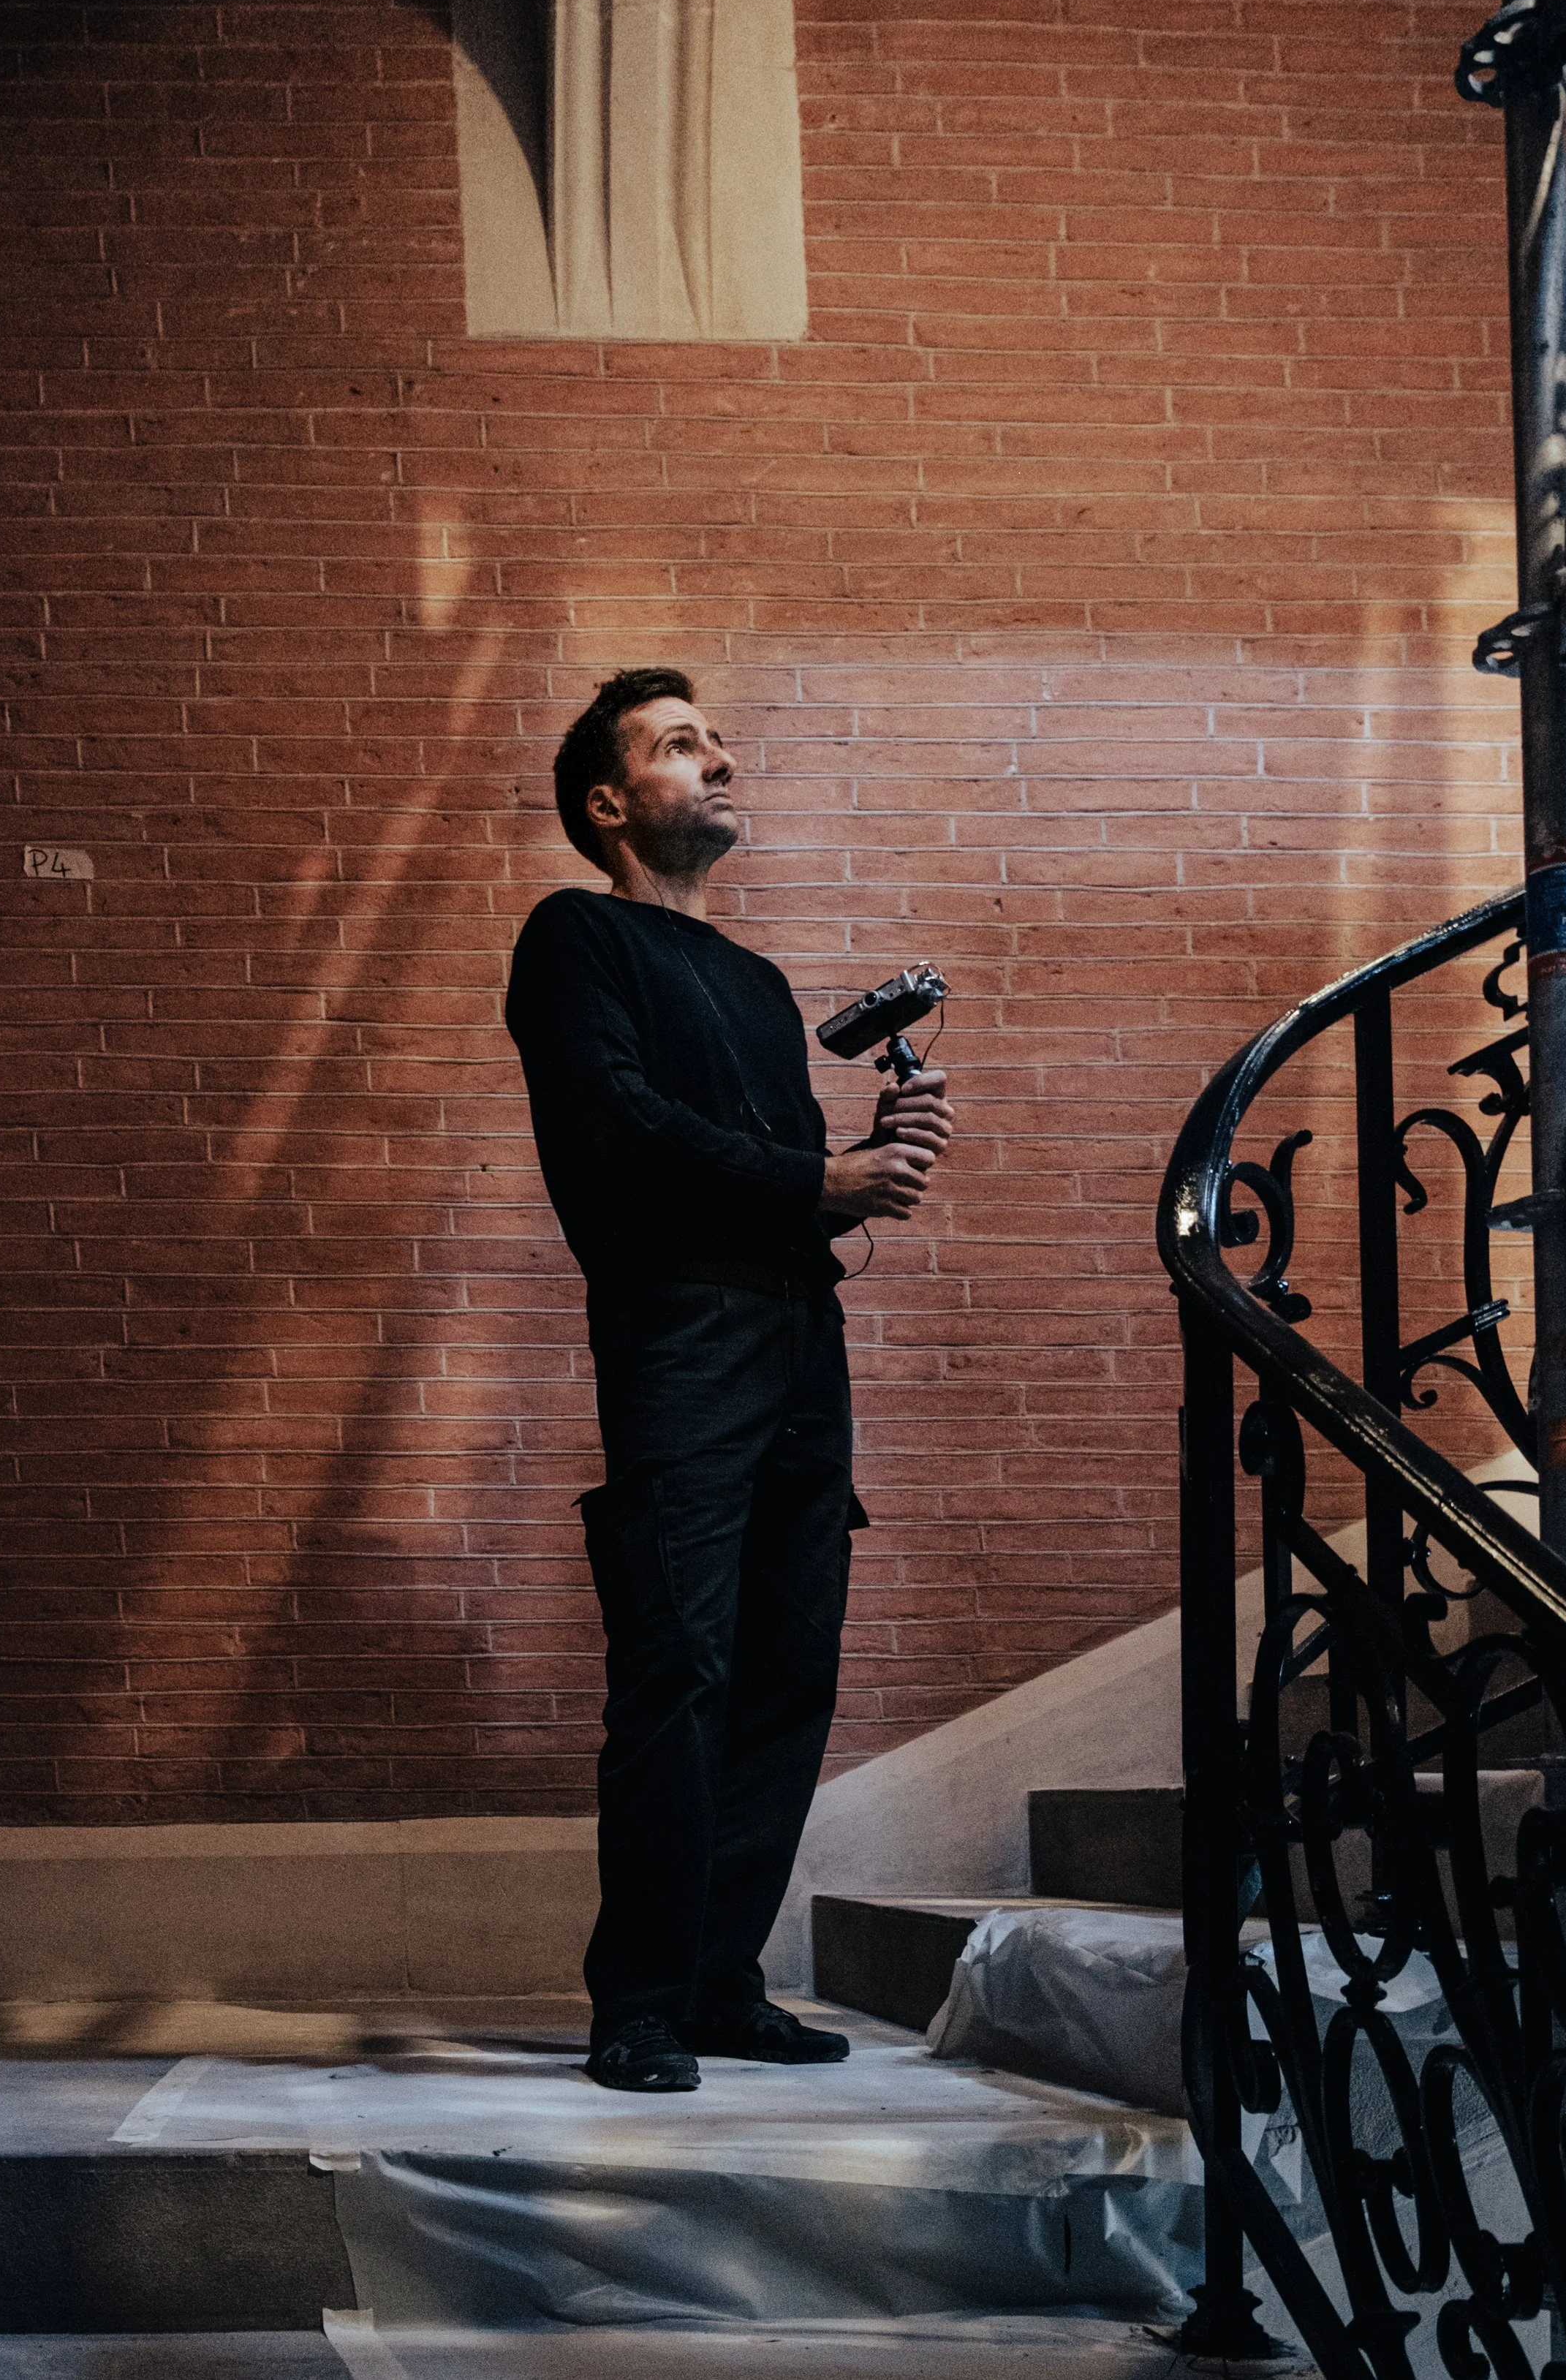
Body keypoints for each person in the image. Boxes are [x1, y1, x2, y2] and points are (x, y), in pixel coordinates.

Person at [504, 667, 955, 2092]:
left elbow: (775, 1190)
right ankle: (634, 2002)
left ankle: (714, 1983)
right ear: (607, 800)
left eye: (717, 738)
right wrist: (819, 1177)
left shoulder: (760, 987)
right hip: (679, 1340)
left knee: (783, 1674)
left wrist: (866, 1165)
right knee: (678, 1667)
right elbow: (615, 1129)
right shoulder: (575, 936)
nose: (720, 756)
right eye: (680, 744)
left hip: (796, 1345)